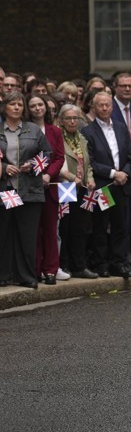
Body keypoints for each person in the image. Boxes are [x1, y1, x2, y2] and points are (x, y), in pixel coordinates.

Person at [0, 91, 54, 288]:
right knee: (4, 233)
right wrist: (5, 168)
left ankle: (26, 277)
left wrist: (33, 165)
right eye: (12, 104)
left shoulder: (32, 129)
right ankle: (3, 275)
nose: (16, 108)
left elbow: (47, 154)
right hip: (6, 188)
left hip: (30, 189)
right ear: (4, 107)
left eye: (20, 105)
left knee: (27, 235)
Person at [81, 91, 131, 279]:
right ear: (94, 108)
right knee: (101, 226)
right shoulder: (88, 132)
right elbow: (92, 162)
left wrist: (126, 173)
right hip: (105, 186)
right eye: (100, 105)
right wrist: (114, 174)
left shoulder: (121, 128)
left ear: (112, 107)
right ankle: (101, 264)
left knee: (120, 226)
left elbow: (130, 156)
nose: (104, 108)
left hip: (122, 185)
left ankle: (118, 263)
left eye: (107, 105)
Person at [26, 94, 66, 285]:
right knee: (34, 230)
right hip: (29, 186)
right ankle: (34, 269)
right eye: (32, 105)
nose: (37, 108)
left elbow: (59, 157)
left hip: (49, 187)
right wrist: (35, 173)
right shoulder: (24, 130)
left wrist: (49, 174)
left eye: (40, 104)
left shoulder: (55, 131)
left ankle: (50, 269)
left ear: (45, 107)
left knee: (50, 229)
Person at [56, 103, 97, 279]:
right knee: (65, 227)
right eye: (68, 118)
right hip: (66, 186)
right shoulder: (57, 137)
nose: (73, 122)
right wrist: (73, 177)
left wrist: (90, 177)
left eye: (75, 118)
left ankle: (79, 266)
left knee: (81, 228)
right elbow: (56, 161)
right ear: (61, 120)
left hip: (83, 188)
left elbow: (87, 163)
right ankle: (64, 265)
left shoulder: (81, 138)